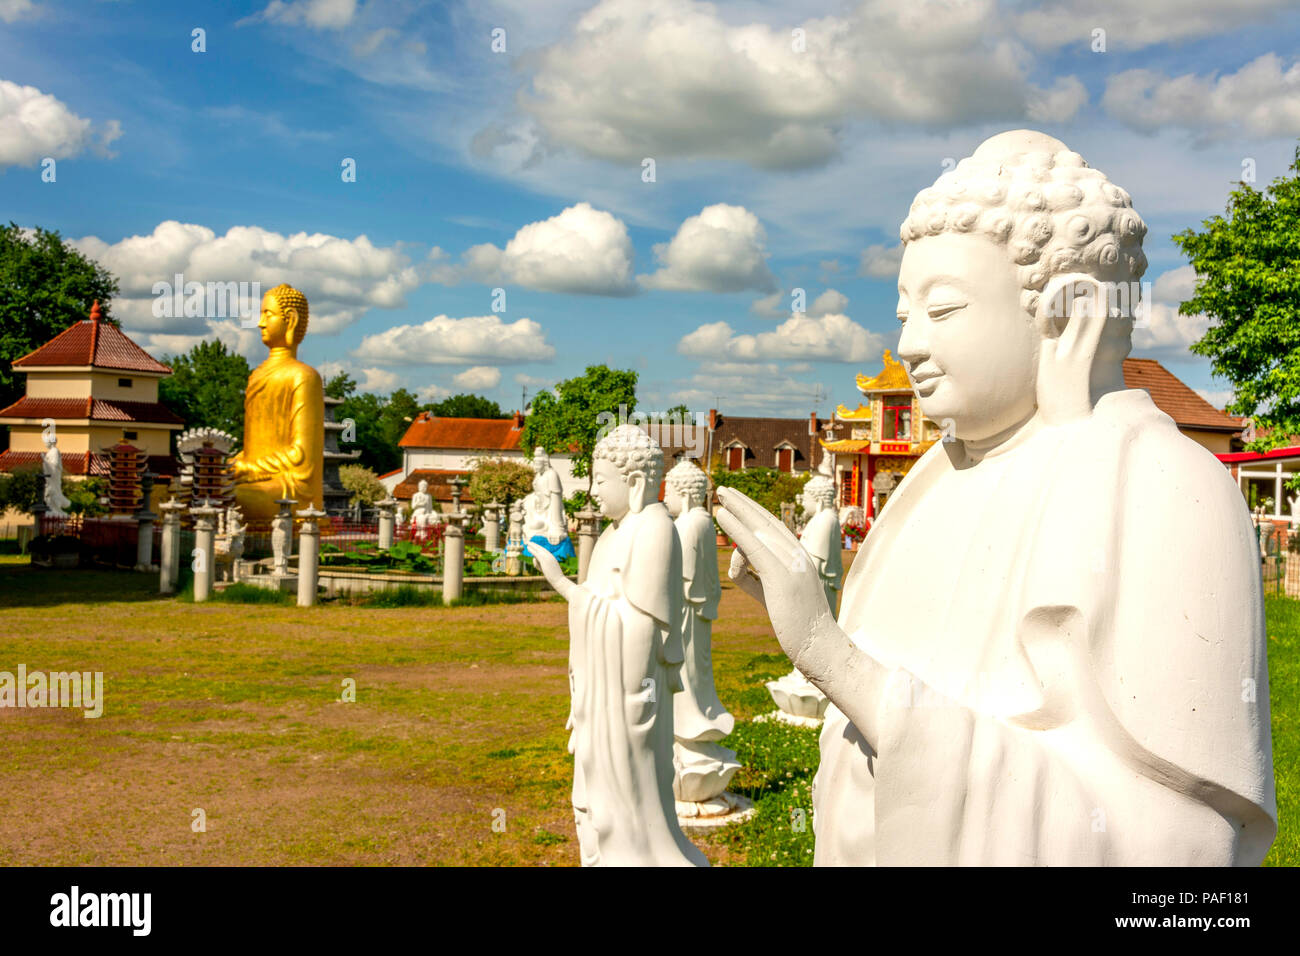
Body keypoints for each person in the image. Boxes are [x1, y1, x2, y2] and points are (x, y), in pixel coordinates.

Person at [718, 130, 1276, 866]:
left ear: (1068, 315)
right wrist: (809, 622)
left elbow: (1184, 842)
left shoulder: (1167, 491)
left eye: (942, 311)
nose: (910, 344)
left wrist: (828, 657)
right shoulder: (933, 478)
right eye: (904, 313)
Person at [529, 425, 706, 866]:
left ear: (635, 483)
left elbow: (640, 628)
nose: (592, 492)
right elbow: (603, 607)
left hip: (631, 699)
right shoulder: (613, 533)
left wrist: (562, 584)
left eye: (599, 480)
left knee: (631, 789)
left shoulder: (654, 530)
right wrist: (574, 593)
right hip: (602, 695)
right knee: (595, 795)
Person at [231, 284, 324, 521]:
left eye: (267, 314)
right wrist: (232, 463)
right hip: (255, 477)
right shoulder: (256, 375)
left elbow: (300, 455)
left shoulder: (304, 376)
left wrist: (249, 470)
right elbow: (253, 448)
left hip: (289, 486)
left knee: (230, 497)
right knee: (192, 492)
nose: (261, 323)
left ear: (290, 321)